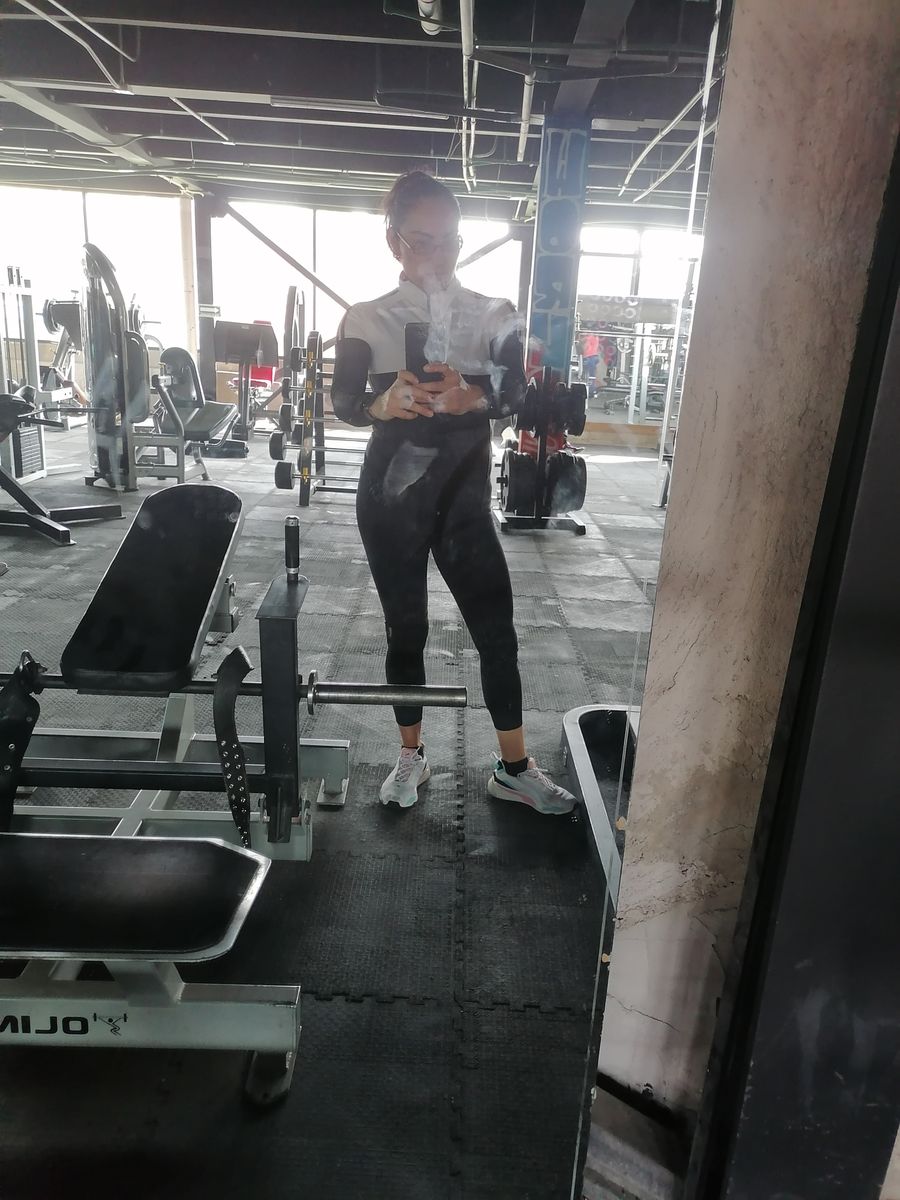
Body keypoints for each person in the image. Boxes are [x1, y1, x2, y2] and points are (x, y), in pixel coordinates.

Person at [331, 170, 575, 816]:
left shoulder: (495, 314)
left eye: (450, 241)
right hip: (391, 502)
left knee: (497, 630)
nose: (437, 256)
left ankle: (514, 768)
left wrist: (477, 396)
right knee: (404, 630)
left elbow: (519, 394)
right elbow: (343, 401)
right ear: (394, 241)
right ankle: (410, 755)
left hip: (465, 506)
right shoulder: (366, 317)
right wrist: (381, 402)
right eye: (422, 241)